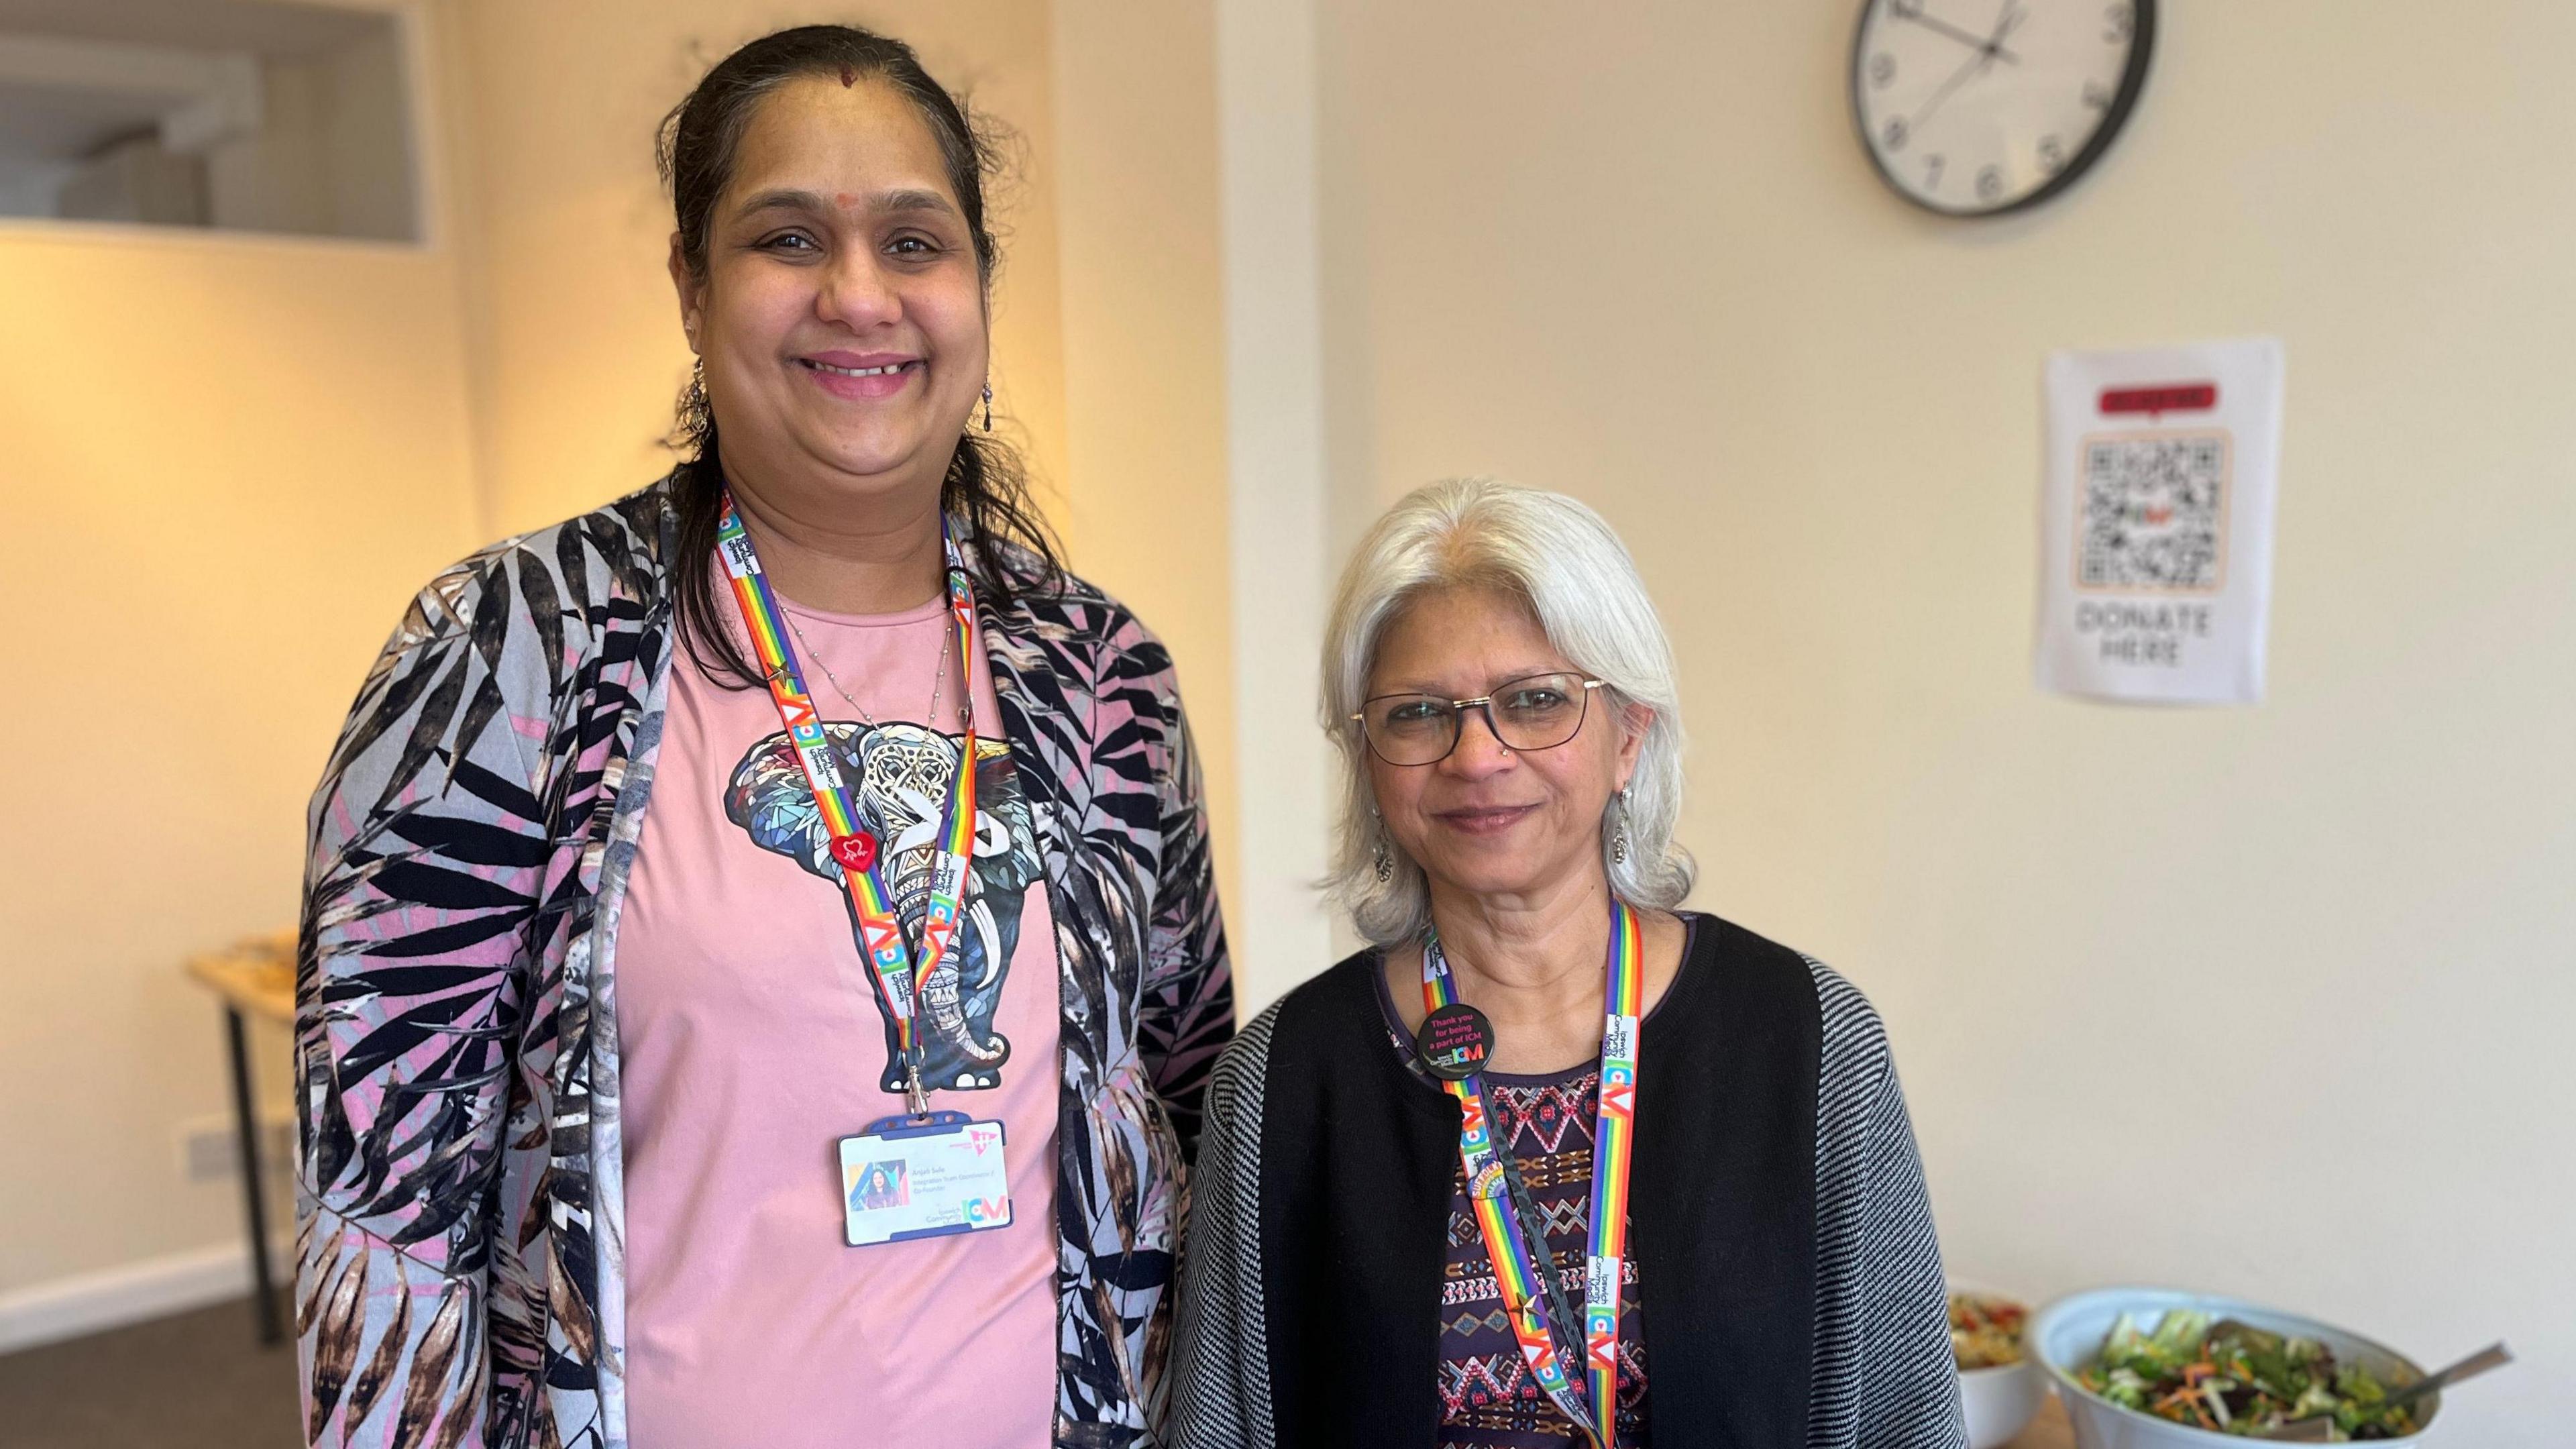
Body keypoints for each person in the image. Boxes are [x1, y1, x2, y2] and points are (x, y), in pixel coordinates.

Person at [293, 25, 1230, 1449]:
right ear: (691, 284)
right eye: (789, 236)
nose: (861, 296)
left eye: (915, 242)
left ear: (975, 286)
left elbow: (1185, 1110)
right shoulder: (511, 652)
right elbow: (384, 1215)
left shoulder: (1103, 680)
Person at [1169, 479, 1962, 1448]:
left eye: (1535, 701)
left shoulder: (1809, 1039)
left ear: (1630, 735)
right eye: (1420, 713)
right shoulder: (1281, 1080)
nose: (1477, 755)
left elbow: (1904, 1421)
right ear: (1370, 759)